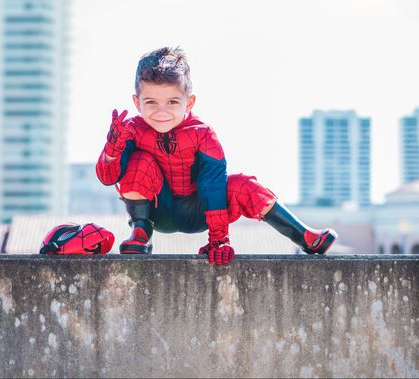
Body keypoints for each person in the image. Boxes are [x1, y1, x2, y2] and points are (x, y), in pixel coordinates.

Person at [96, 47, 337, 265]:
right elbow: (110, 178)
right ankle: (140, 232)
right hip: (159, 210)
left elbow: (212, 185)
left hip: (200, 210)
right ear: (137, 102)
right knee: (139, 162)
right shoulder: (129, 129)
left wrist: (219, 237)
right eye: (151, 102)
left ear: (189, 102)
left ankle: (304, 235)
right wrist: (112, 151)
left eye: (172, 101)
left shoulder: (202, 134)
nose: (162, 111)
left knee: (244, 185)